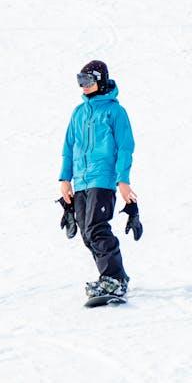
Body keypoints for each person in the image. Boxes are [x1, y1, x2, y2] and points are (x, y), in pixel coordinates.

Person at [59, 60, 137, 298]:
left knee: (96, 228)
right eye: (80, 80)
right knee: (86, 232)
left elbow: (125, 147)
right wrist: (65, 179)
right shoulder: (79, 112)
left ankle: (113, 278)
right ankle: (113, 277)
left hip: (102, 179)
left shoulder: (115, 111)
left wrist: (123, 180)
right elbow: (69, 146)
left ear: (100, 80)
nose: (83, 86)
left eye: (88, 80)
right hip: (81, 181)